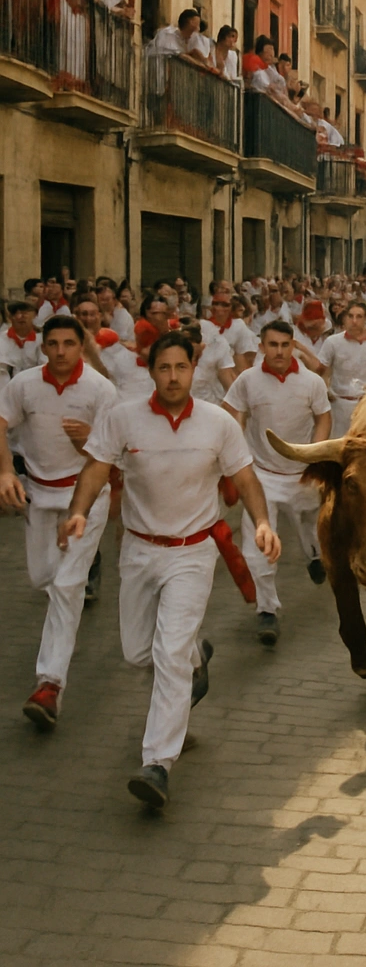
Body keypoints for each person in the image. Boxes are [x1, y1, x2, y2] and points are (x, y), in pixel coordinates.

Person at [61, 331, 282, 808]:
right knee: (138, 652)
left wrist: (262, 523)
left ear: (193, 368)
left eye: (182, 367)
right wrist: (78, 512)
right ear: (151, 371)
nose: (174, 376)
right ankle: (197, 656)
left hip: (193, 552)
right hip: (139, 552)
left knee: (167, 653)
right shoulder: (122, 419)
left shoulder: (216, 424)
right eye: (164, 368)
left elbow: (244, 477)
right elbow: (96, 470)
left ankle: (158, 762)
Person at [0, 316, 116, 729]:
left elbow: (112, 454)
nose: (62, 351)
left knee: (67, 587)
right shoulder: (24, 384)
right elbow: (1, 420)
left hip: (85, 495)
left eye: (70, 343)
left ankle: (49, 685)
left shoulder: (101, 390)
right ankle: (61, 631)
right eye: (54, 343)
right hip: (39, 492)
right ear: (43, 347)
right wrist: (5, 472)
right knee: (43, 579)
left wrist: (88, 441)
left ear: (81, 346)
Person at [222, 321, 331, 646]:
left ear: (293, 345)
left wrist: (314, 451)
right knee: (259, 543)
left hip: (300, 473)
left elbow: (323, 417)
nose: (279, 351)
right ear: (262, 347)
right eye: (273, 345)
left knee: (310, 524)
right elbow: (230, 412)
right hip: (261, 476)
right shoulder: (247, 380)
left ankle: (314, 556)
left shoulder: (311, 382)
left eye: (285, 345)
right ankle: (267, 610)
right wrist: (234, 450)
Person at [316, 301, 366, 437]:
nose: (354, 321)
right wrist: (324, 389)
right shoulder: (332, 342)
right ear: (345, 318)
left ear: (365, 319)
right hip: (339, 407)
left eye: (359, 317)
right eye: (350, 316)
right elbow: (319, 369)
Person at [202, 288, 258, 372]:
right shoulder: (203, 326)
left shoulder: (238, 326)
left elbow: (246, 356)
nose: (219, 308)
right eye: (216, 304)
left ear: (231, 307)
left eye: (224, 305)